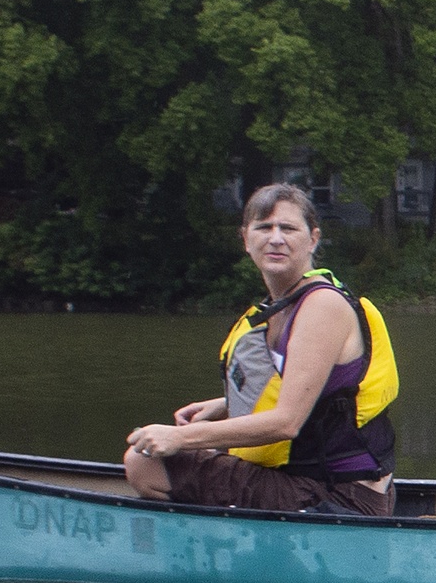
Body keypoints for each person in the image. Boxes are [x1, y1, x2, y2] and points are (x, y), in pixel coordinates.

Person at [127, 183, 402, 516]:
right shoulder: (278, 307)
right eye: (263, 227)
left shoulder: (321, 306)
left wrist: (181, 438)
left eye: (287, 228)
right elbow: (312, 393)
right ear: (245, 239)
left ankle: (216, 542)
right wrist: (223, 405)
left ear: (313, 239)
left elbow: (286, 422)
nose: (275, 238)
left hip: (340, 497)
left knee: (143, 464)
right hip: (311, 483)